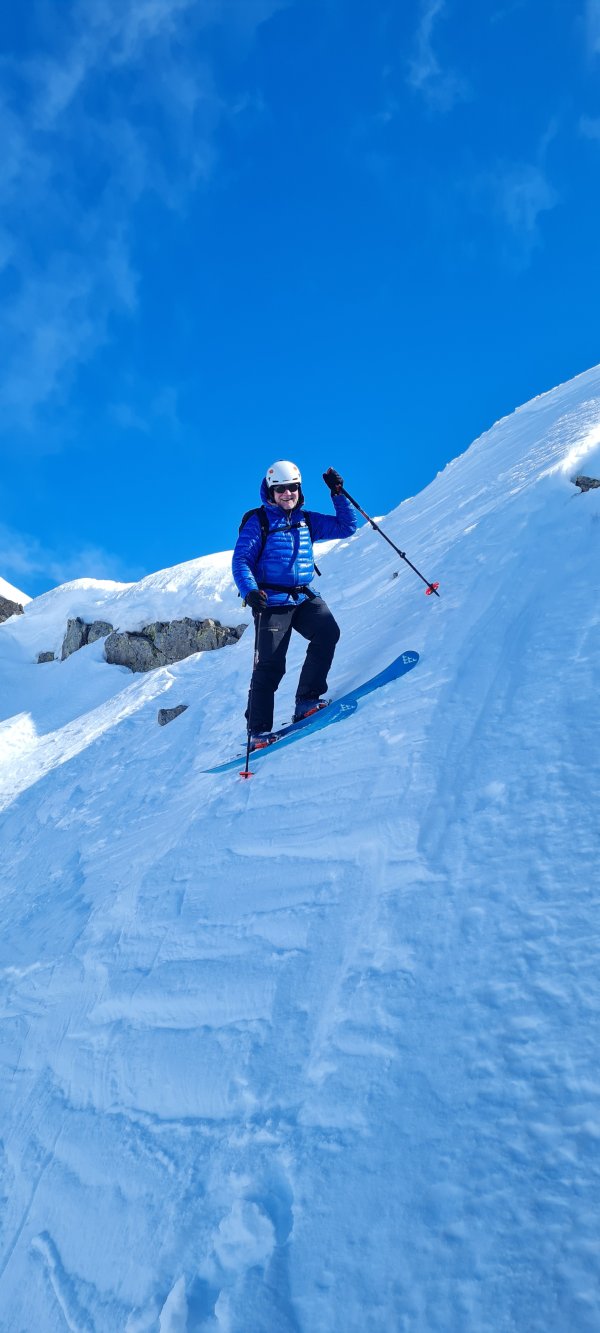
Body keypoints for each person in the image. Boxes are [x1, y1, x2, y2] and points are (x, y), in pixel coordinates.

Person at [232, 461, 357, 745]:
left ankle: (307, 701)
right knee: (270, 665)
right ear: (271, 492)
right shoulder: (259, 521)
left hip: (302, 596)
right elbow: (241, 560)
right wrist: (250, 591)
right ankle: (258, 731)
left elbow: (346, 527)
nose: (287, 493)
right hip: (271, 601)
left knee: (327, 633)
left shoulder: (307, 520)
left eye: (292, 488)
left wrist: (338, 493)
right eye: (281, 489)